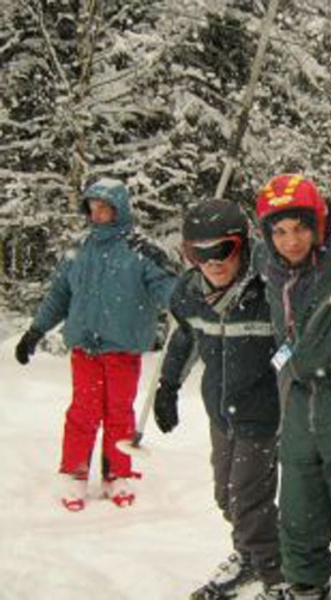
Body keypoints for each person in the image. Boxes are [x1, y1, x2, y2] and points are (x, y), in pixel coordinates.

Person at [14, 177, 176, 512]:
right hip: (85, 348)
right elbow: (59, 294)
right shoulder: (81, 250)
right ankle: (73, 473)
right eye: (93, 208)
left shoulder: (139, 250)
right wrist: (36, 330)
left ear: (120, 210)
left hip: (122, 348)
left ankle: (119, 474)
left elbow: (168, 290)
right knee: (82, 412)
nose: (98, 214)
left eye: (105, 208)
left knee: (119, 411)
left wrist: (181, 297)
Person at [152, 200, 284, 599]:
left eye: (221, 250)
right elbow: (185, 340)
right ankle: (249, 554)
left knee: (247, 497)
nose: (211, 262)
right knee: (225, 496)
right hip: (222, 412)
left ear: (242, 245)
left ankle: (278, 574)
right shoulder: (190, 294)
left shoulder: (267, 289)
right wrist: (168, 387)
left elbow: (295, 344)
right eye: (198, 253)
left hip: (263, 413)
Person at [254, 174, 331, 600]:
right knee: (298, 512)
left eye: (301, 228)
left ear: (318, 226)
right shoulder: (271, 271)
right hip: (300, 399)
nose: (291, 241)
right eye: (280, 231)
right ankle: (306, 587)